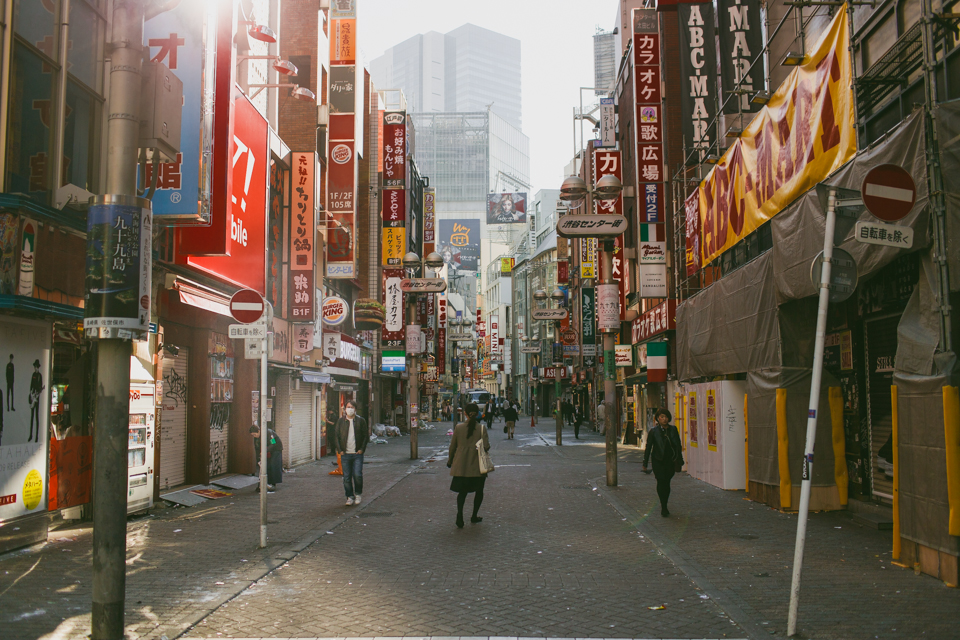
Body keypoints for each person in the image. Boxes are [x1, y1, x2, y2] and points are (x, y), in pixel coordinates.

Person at [447, 403, 490, 528]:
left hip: (461, 466)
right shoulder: (482, 429)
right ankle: (474, 515)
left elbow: (452, 447)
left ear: (465, 413)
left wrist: (450, 461)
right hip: (477, 467)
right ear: (477, 414)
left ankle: (460, 515)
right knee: (479, 491)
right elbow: (486, 447)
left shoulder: (458, 428)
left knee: (462, 492)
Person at [643, 408, 684, 517]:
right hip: (658, 460)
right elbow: (648, 447)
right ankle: (663, 506)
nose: (664, 419)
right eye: (662, 417)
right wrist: (645, 462)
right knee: (661, 481)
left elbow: (678, 445)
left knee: (667, 482)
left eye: (666, 417)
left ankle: (665, 501)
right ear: (658, 418)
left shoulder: (673, 429)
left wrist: (679, 459)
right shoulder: (654, 431)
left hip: (670, 460)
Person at [331, 400, 369, 506]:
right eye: (348, 407)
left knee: (357, 475)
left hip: (357, 453)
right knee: (346, 477)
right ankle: (349, 496)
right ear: (345, 409)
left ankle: (358, 494)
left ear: (355, 409)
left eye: (352, 407)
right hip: (345, 454)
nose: (350, 409)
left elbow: (366, 436)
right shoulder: (341, 421)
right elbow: (336, 436)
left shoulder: (361, 421)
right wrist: (340, 450)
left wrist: (361, 449)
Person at [249, 424, 283, 492]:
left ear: (259, 431)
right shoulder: (256, 438)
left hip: (276, 449)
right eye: (253, 435)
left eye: (255, 434)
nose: (254, 436)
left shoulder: (269, 432)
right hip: (266, 451)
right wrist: (258, 458)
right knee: (265, 466)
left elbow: (273, 443)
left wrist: (265, 450)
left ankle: (273, 484)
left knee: (273, 465)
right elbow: (257, 448)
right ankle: (263, 484)